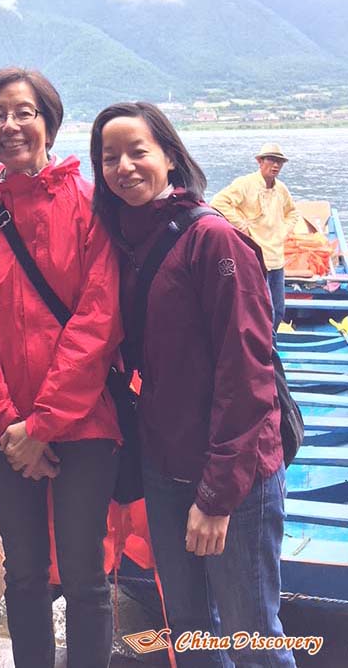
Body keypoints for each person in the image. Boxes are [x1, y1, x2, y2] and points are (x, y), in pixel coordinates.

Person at [90, 102, 293, 667]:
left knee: (252, 631)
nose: (124, 167)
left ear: (170, 158)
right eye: (110, 158)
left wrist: (218, 495)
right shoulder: (123, 243)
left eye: (138, 152)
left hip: (236, 475)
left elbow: (248, 375)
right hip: (165, 466)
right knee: (188, 627)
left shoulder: (213, 240)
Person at [0, 68, 122, 668]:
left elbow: (98, 322)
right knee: (23, 574)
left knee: (84, 576)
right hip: (4, 430)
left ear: (49, 120)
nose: (10, 125)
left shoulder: (92, 206)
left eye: (23, 111)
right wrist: (6, 425)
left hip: (82, 423)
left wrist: (42, 423)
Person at [211, 144, 299, 330]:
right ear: (260, 161)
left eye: (279, 162)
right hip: (255, 259)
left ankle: (269, 346)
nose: (275, 165)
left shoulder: (281, 189)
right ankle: (265, 352)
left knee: (279, 310)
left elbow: (292, 213)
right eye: (271, 160)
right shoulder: (245, 184)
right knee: (265, 311)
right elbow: (219, 202)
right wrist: (242, 225)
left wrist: (284, 230)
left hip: (276, 259)